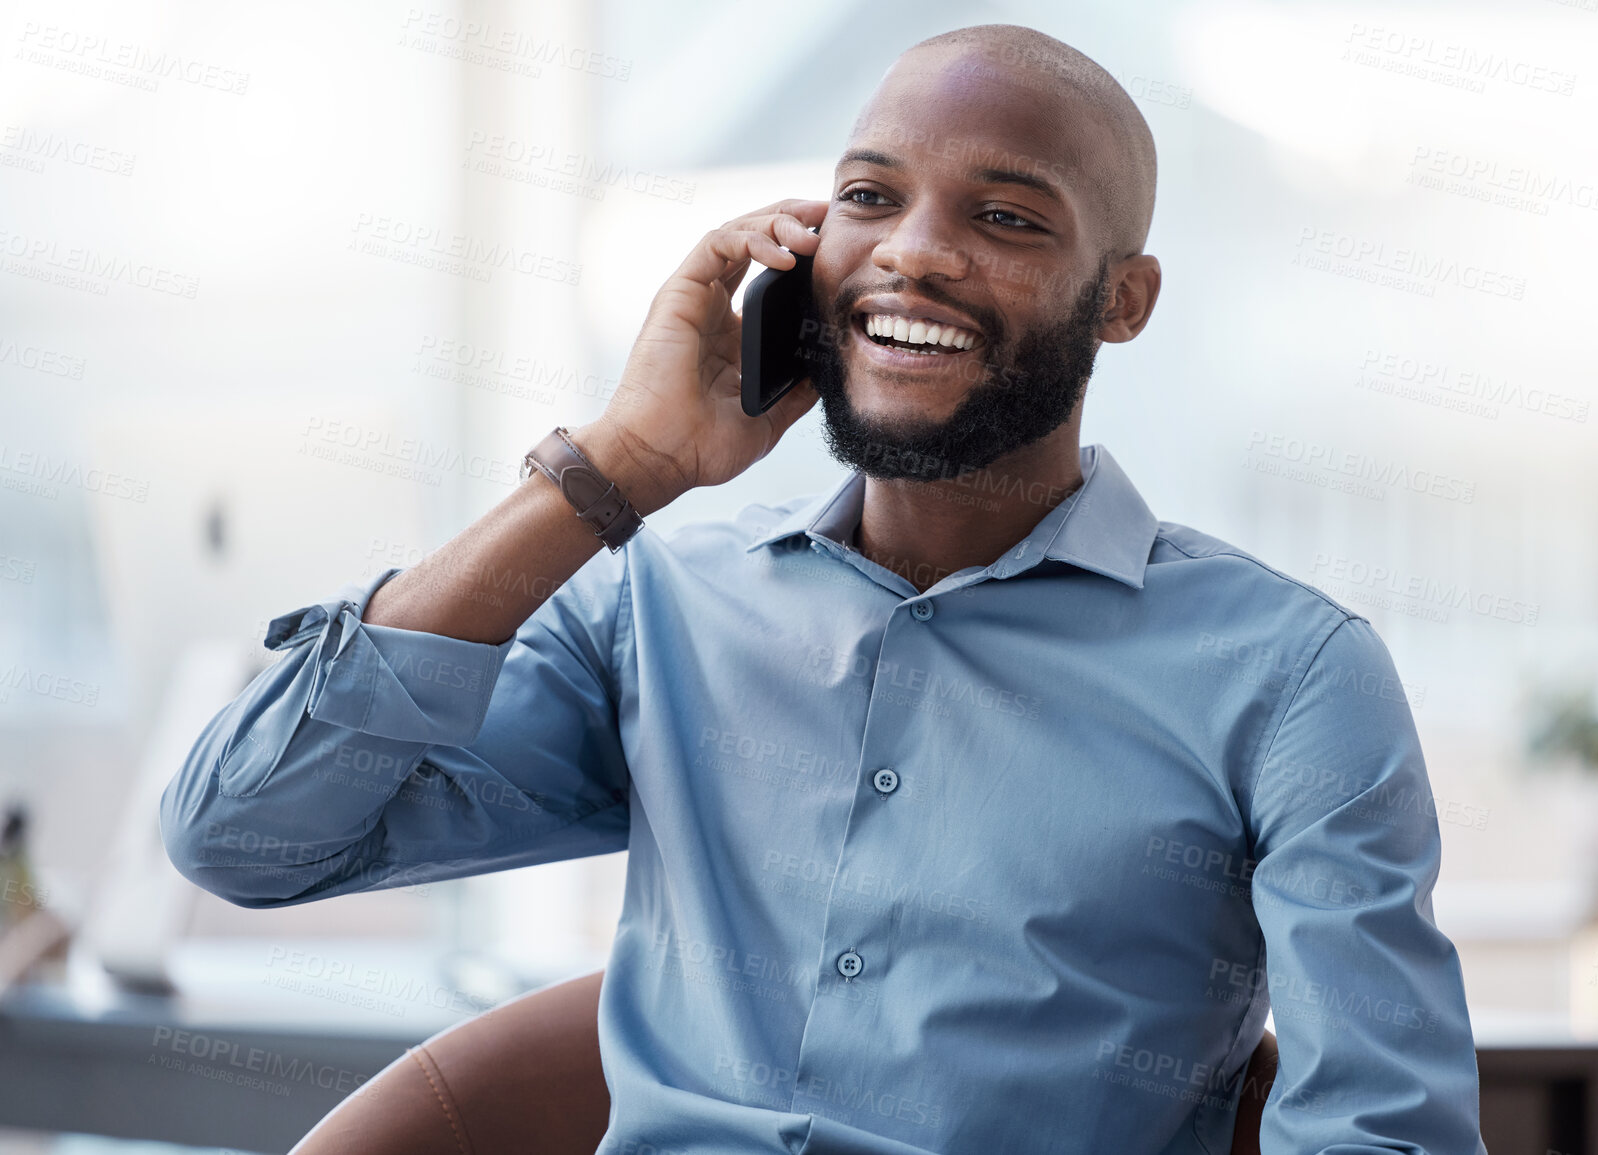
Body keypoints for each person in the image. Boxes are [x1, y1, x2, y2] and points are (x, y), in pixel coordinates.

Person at [160, 23, 1486, 1154]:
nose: (914, 252)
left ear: (1122, 300)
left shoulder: (1290, 674)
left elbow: (1386, 1128)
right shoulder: (659, 608)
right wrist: (615, 468)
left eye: (1007, 217)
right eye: (868, 196)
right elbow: (247, 837)